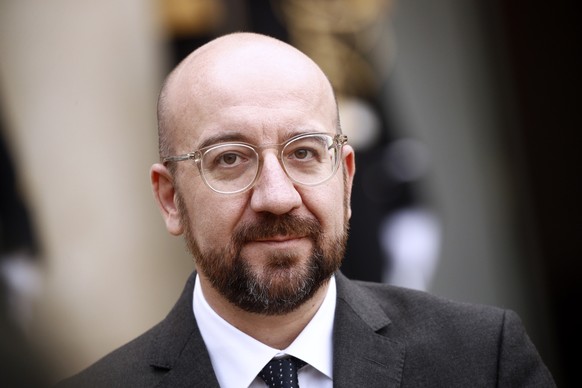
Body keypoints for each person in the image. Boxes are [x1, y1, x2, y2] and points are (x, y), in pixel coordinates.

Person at [57, 32, 555, 387]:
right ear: (170, 199)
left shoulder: (483, 360)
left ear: (347, 178)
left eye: (304, 153)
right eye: (229, 159)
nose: (277, 197)